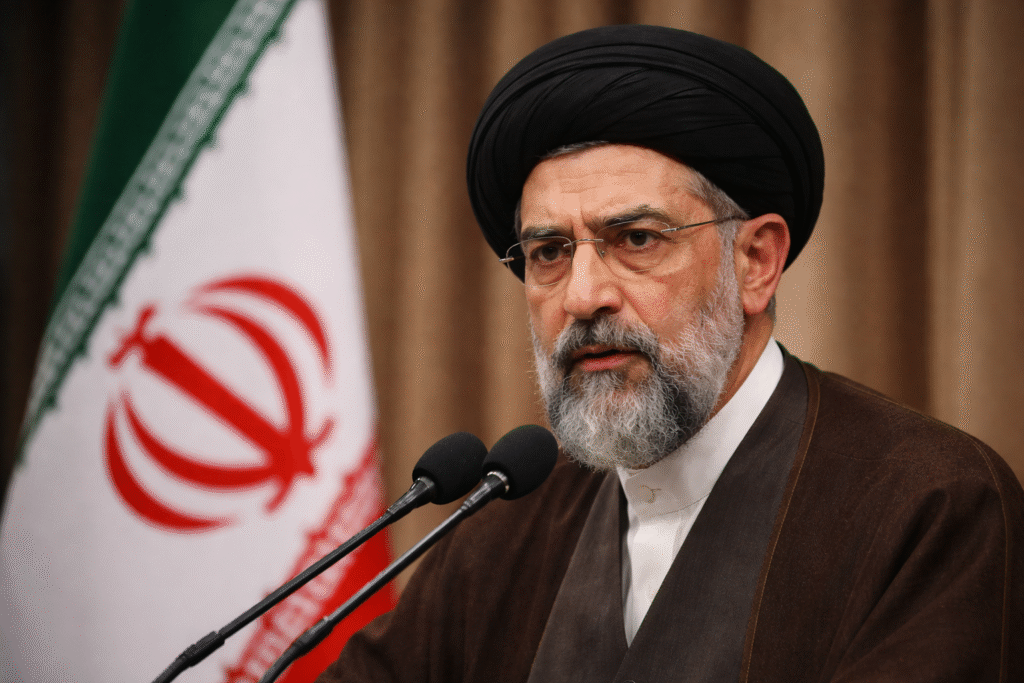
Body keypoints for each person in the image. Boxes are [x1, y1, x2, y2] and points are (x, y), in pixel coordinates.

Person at [316, 25, 1024, 683]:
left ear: (755, 261)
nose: (583, 296)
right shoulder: (502, 526)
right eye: (549, 252)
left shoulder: (929, 504)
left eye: (636, 239)